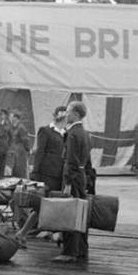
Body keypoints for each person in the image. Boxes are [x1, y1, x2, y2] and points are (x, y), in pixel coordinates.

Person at [15, 106, 67, 248]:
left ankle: (52, 232)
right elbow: (39, 152)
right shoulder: (46, 130)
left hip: (60, 175)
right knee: (42, 205)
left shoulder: (66, 133)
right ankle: (23, 232)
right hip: (46, 174)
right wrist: (35, 172)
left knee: (57, 203)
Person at [52, 101, 91, 263]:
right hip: (81, 177)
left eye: (68, 111)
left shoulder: (74, 134)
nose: (65, 114)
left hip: (73, 179)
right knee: (80, 214)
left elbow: (71, 161)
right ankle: (81, 249)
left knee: (70, 213)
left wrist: (67, 183)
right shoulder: (84, 133)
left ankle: (69, 251)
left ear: (75, 114)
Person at [9, 109, 30, 179]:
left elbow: (25, 140)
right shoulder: (15, 127)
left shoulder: (20, 128)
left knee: (21, 167)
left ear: (15, 118)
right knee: (16, 168)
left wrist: (27, 149)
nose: (10, 118)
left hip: (21, 149)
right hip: (17, 149)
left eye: (11, 117)